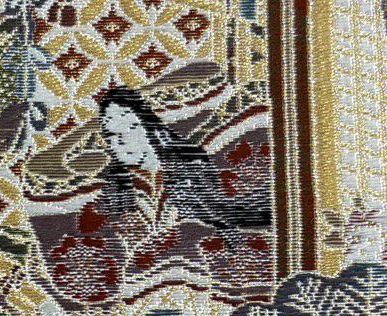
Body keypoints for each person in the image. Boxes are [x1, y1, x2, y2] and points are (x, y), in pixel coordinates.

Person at [97, 85, 270, 232]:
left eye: (131, 128)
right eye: (112, 135)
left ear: (152, 129)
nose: (122, 140)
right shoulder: (115, 185)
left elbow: (219, 212)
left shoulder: (190, 163)